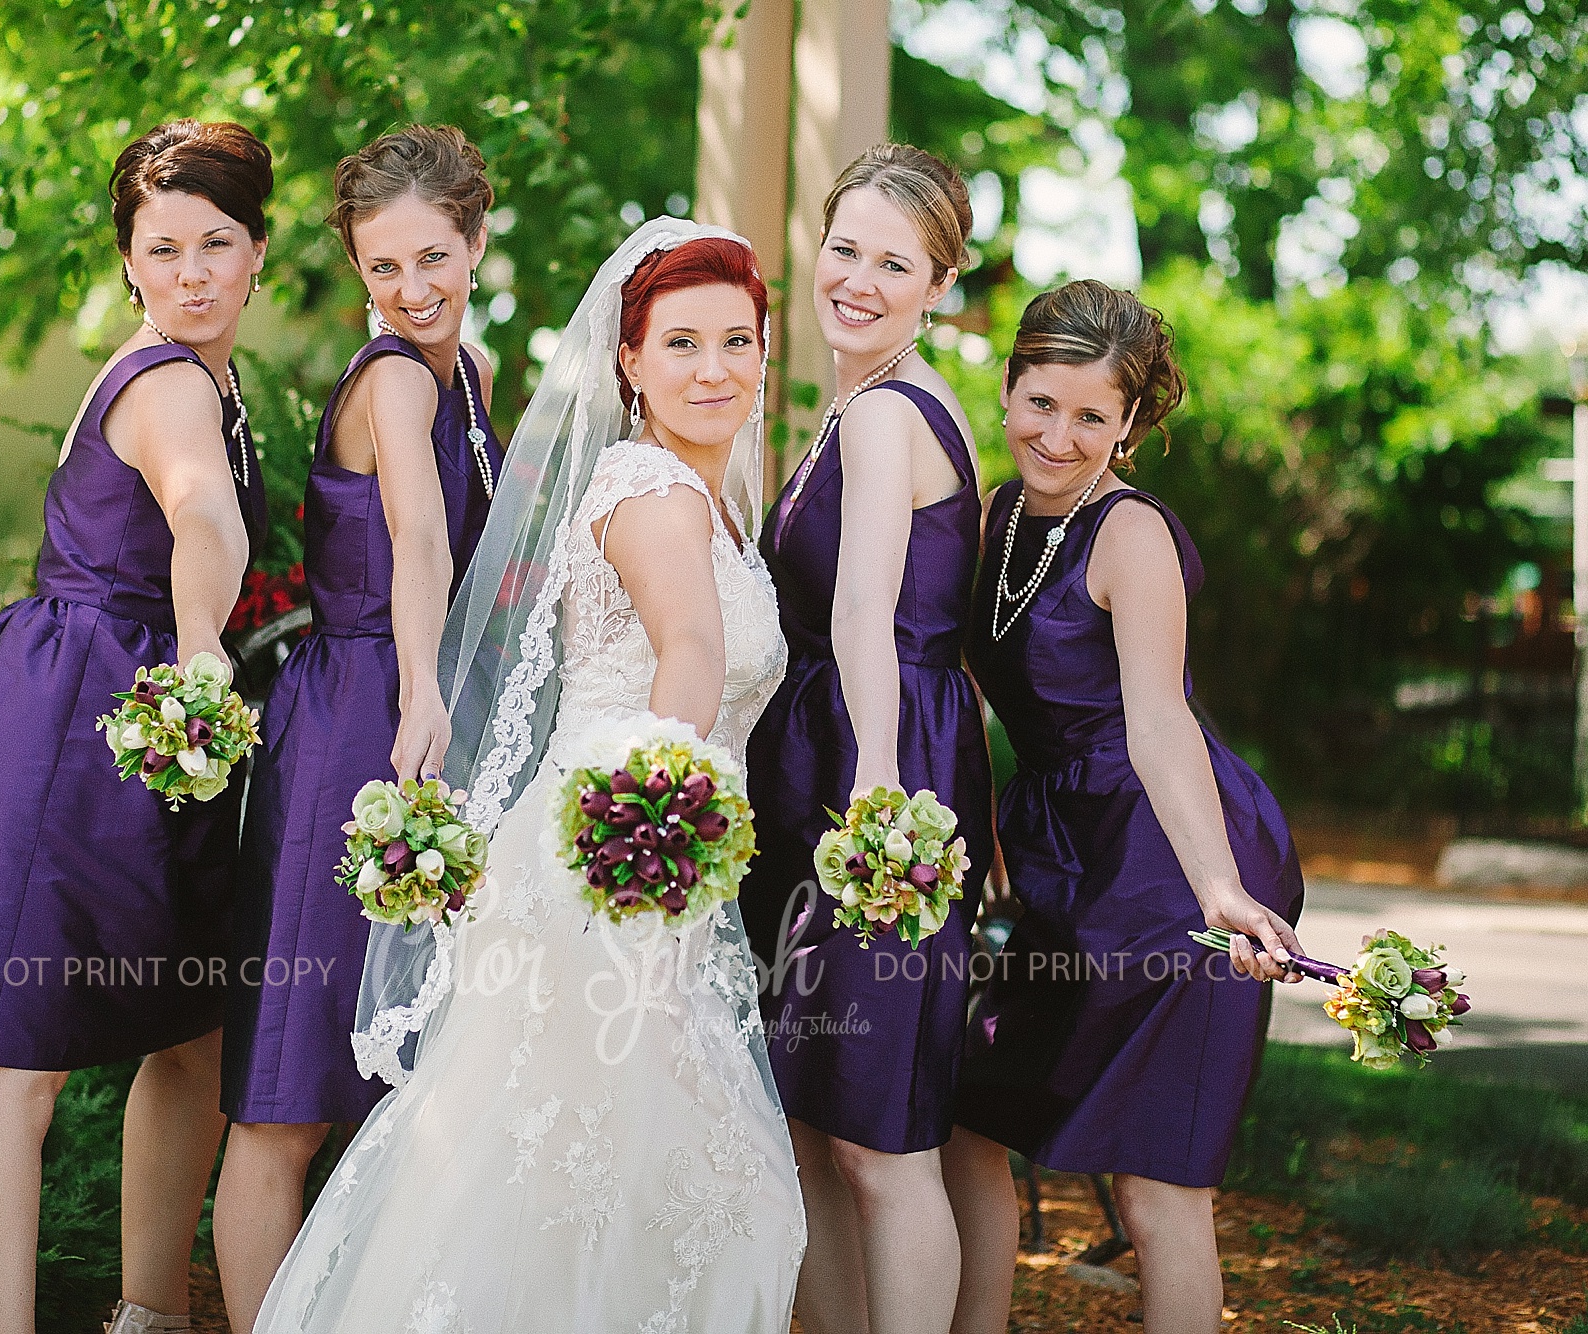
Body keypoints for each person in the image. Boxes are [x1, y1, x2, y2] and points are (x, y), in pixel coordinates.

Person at [252, 220, 805, 1331]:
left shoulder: (714, 502)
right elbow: (688, 649)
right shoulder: (650, 486)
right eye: (681, 343)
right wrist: (662, 808)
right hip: (609, 869)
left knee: (601, 1181)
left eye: (736, 342)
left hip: (650, 867)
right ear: (629, 363)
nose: (714, 369)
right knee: (593, 1177)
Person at [0, 119, 272, 1334]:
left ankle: (147, 1311)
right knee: (7, 1070)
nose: (190, 272)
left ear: (256, 252)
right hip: (60, 730)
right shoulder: (169, 384)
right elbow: (204, 517)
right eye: (161, 249)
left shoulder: (211, 375)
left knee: (190, 1033)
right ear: (129, 263)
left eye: (214, 243)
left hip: (143, 733)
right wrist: (203, 645)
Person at [941, 280, 1306, 1334]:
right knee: (969, 1116)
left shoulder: (1130, 535)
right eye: (1039, 403)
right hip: (1060, 857)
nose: (1057, 435)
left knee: (1156, 1182)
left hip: (1167, 865)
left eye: (1091, 416)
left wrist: (1218, 891)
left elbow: (1156, 724)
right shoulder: (996, 514)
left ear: (1129, 423)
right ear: (1006, 386)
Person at [211, 123, 501, 1333]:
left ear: (477, 240)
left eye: (433, 258)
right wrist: (427, 689)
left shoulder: (468, 370)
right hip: (354, 723)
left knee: (405, 1072)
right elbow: (420, 542)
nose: (411, 291)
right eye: (383, 269)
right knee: (286, 1090)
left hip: (427, 716)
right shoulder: (389, 376)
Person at [741, 143, 995, 1334]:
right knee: (810, 1111)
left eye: (894, 263)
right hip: (835, 760)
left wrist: (883, 794)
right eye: (844, 248)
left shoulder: (891, 410)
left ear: (938, 283)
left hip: (879, 772)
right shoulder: (859, 398)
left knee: (880, 1132)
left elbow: (862, 611)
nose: (857, 278)